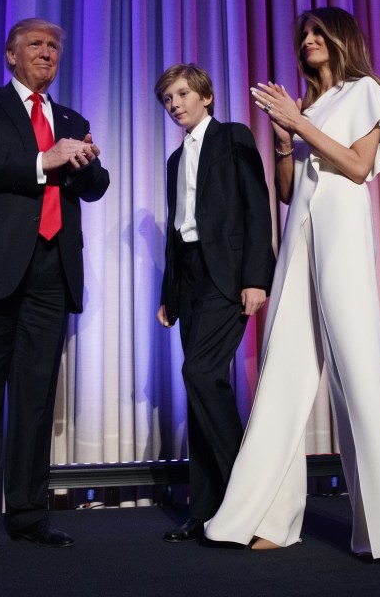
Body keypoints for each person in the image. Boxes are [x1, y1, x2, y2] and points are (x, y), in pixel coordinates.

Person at [203, 6, 380, 559]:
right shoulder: (308, 104)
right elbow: (288, 189)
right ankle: (268, 518)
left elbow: (356, 167)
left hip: (343, 239)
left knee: (357, 371)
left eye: (316, 32)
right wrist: (284, 137)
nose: (306, 40)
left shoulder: (366, 91)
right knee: (282, 370)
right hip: (300, 241)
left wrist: (301, 124)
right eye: (302, 34)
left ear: (340, 38)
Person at [0, 18, 110, 557]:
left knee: (34, 403)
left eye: (54, 46)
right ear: (11, 55)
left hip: (50, 273)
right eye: (35, 44)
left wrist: (85, 163)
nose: (46, 52)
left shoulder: (71, 118)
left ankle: (31, 515)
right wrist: (43, 160)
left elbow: (95, 188)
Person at [154, 64, 275, 542]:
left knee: (200, 375)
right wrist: (170, 294)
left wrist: (255, 278)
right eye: (168, 100)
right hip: (189, 280)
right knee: (201, 392)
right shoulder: (173, 160)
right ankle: (205, 512)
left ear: (205, 95)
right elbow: (175, 229)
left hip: (228, 276)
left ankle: (249, 496)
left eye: (182, 94)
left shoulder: (234, 137)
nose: (175, 104)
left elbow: (256, 207)